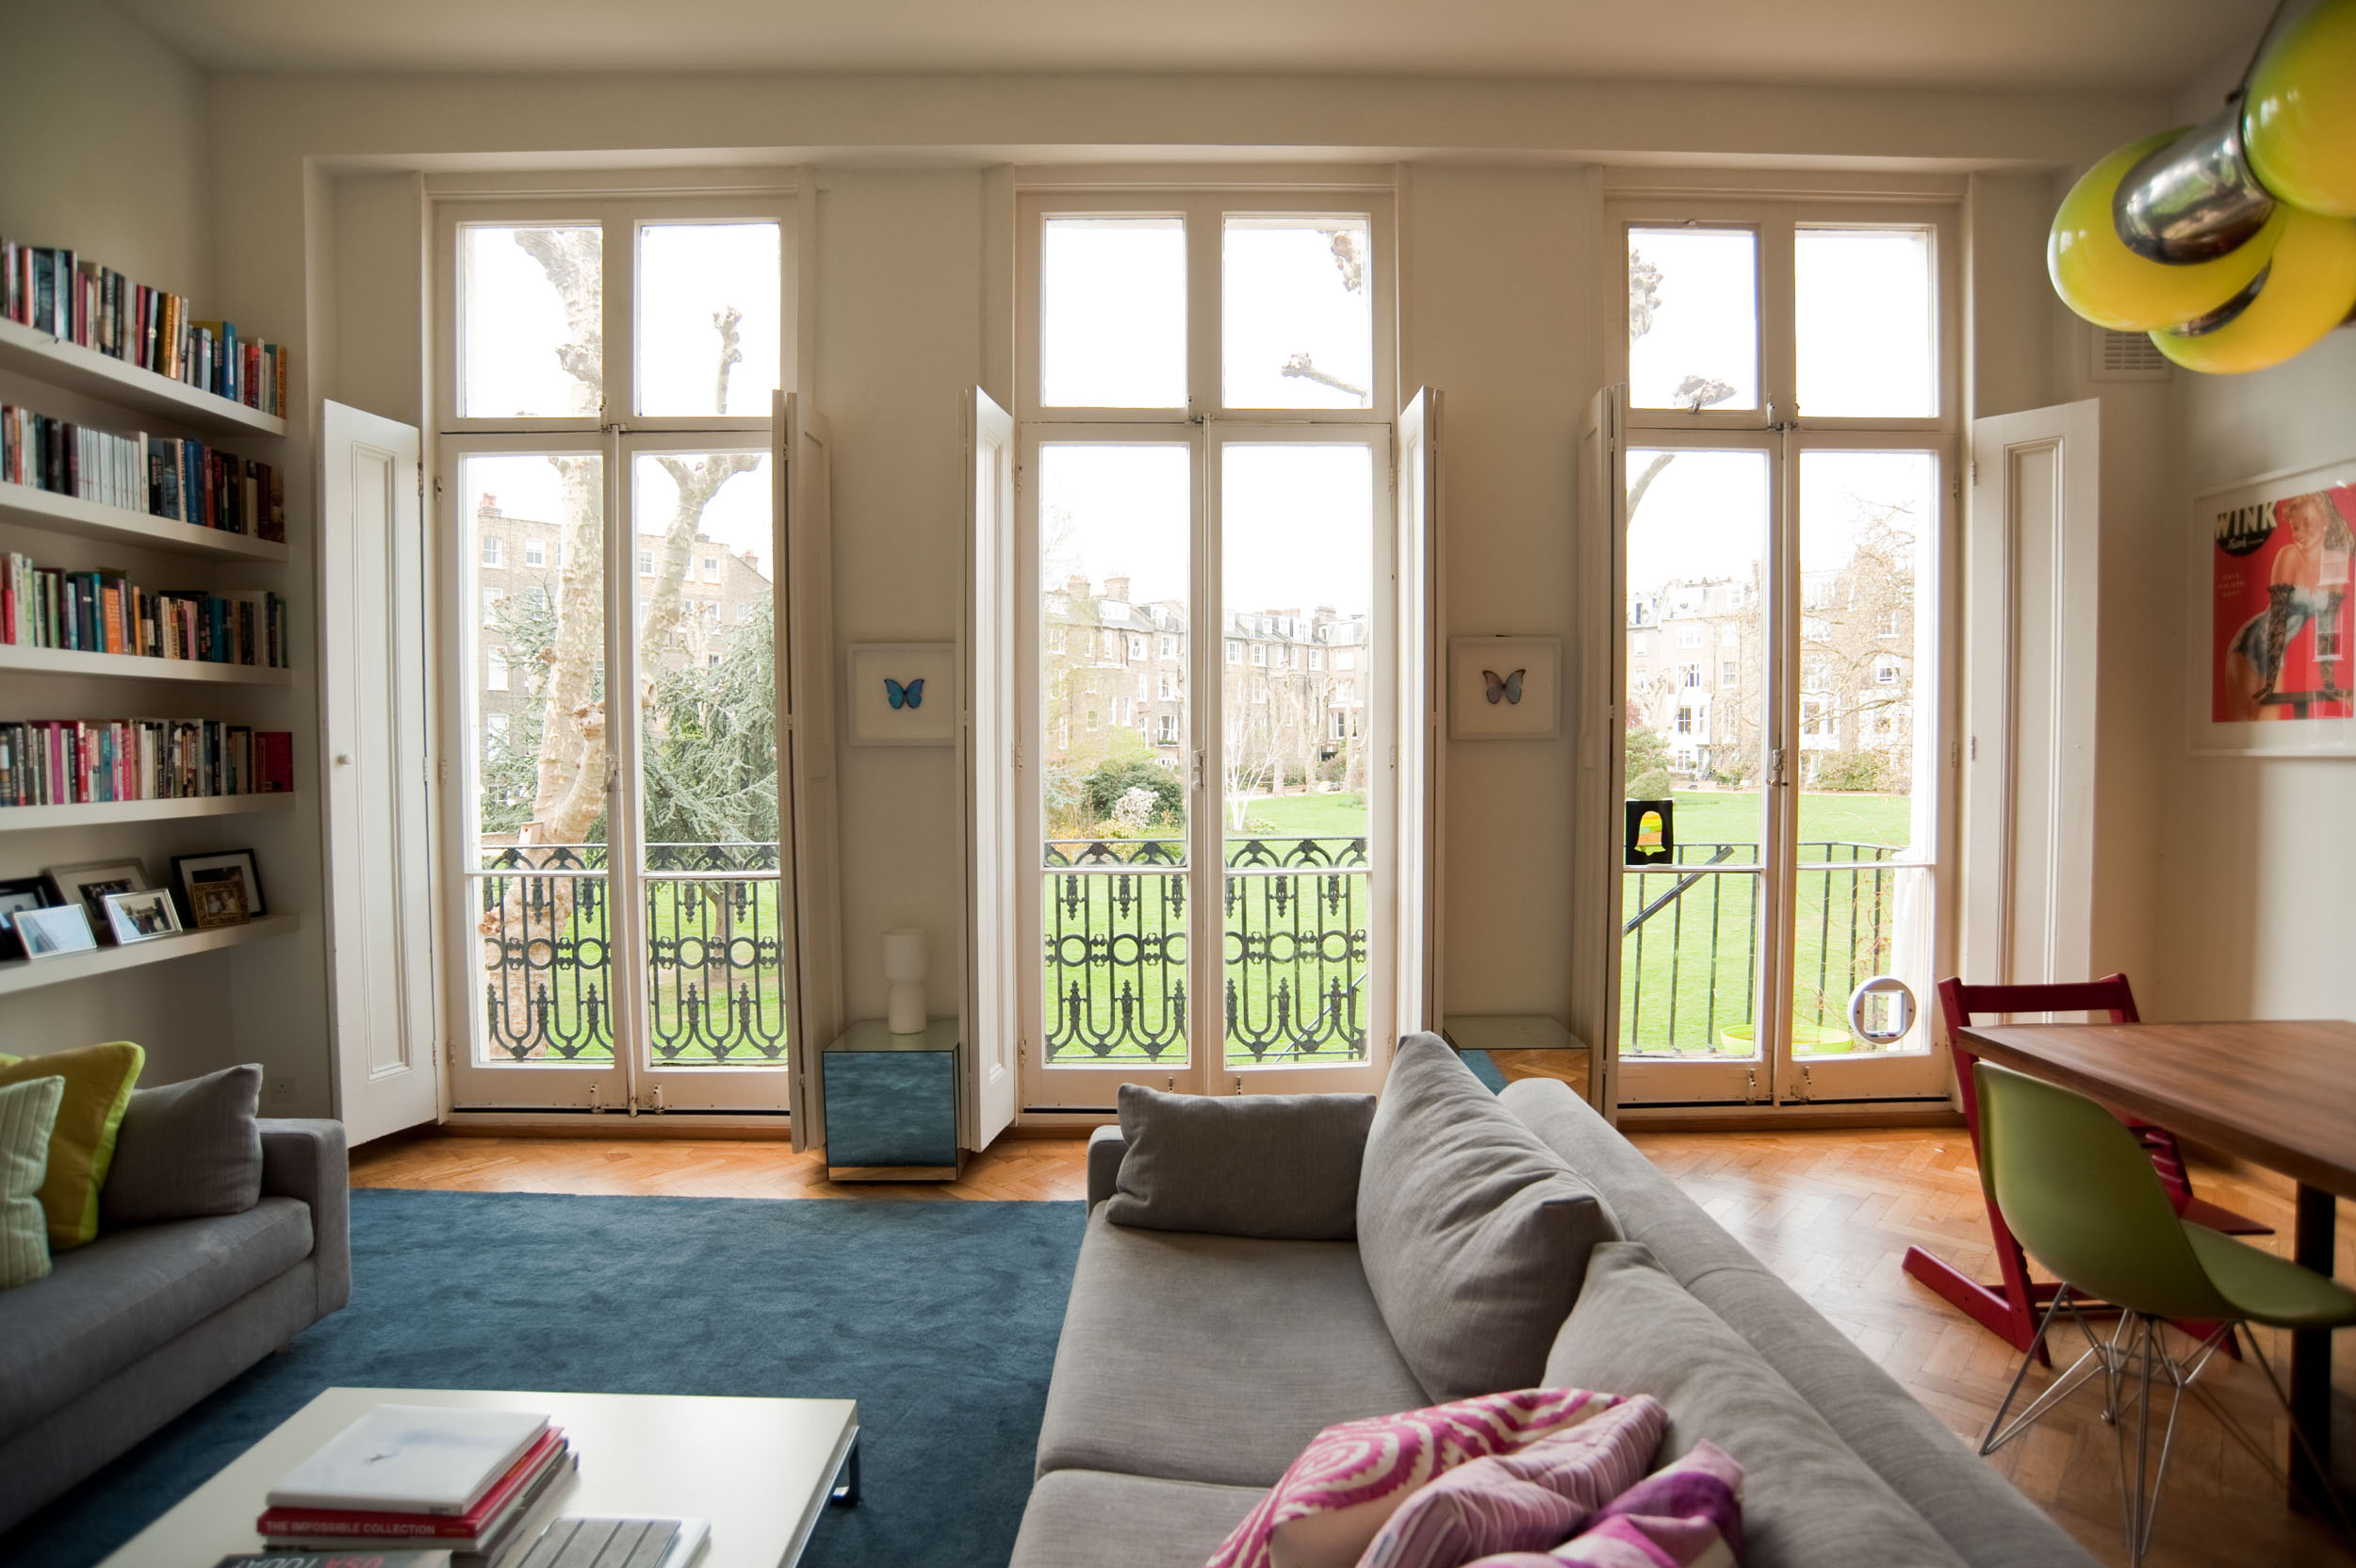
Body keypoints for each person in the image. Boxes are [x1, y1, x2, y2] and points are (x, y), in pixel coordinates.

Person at [2221, 488, 2354, 721]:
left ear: (2325, 523)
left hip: (2276, 654)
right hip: (2250, 645)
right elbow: (2277, 623)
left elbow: (2327, 629)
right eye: (2295, 527)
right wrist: (2270, 681)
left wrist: (2329, 684)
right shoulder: (2288, 556)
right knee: (2245, 729)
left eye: (2308, 523)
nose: (2300, 533)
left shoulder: (2336, 564)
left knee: (2268, 726)